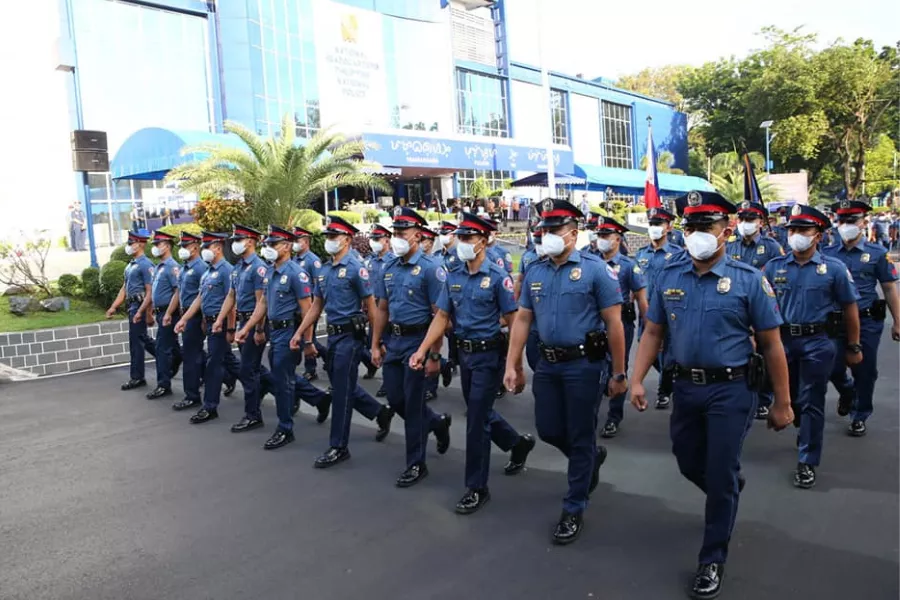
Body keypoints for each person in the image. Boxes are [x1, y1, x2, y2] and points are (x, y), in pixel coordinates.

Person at [628, 190, 794, 600]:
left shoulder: (749, 279)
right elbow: (653, 332)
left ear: (726, 229)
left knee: (719, 471)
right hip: (686, 387)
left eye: (707, 226)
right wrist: (635, 379)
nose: (698, 234)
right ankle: (727, 490)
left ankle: (712, 557)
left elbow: (772, 345)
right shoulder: (668, 275)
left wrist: (783, 402)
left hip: (732, 389)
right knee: (687, 459)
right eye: (692, 227)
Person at [504, 198, 628, 546]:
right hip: (547, 364)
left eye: (555, 229)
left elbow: (615, 324)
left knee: (577, 431)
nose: (547, 234)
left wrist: (619, 373)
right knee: (547, 428)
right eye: (544, 228)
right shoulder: (536, 271)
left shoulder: (595, 270)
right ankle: (589, 457)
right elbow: (523, 319)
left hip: (584, 365)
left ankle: (573, 506)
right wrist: (512, 363)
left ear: (574, 233)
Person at [410, 212, 536, 514]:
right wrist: (423, 350)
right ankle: (516, 443)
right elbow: (442, 316)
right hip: (463, 354)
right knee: (480, 410)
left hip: (489, 355)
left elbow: (512, 320)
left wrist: (514, 365)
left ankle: (476, 487)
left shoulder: (497, 277)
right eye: (461, 237)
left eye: (468, 238)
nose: (462, 243)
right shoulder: (453, 274)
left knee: (476, 420)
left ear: (483, 240)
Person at [763, 205, 860, 489]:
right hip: (783, 342)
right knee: (790, 396)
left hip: (819, 341)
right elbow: (761, 307)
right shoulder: (773, 268)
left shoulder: (834, 269)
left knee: (811, 399)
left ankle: (807, 460)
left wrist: (853, 346)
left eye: (803, 230)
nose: (796, 235)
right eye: (792, 230)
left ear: (818, 234)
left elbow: (850, 308)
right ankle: (804, 425)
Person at [292, 216, 395, 467]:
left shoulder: (355, 268)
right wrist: (302, 333)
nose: (329, 241)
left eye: (333, 237)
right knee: (343, 383)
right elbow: (316, 306)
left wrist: (375, 343)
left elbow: (372, 308)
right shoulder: (325, 270)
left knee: (340, 390)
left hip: (351, 337)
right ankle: (379, 412)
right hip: (335, 336)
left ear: (347, 240)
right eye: (327, 237)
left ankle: (339, 446)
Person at [370, 206, 453, 488]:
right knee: (395, 399)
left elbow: (439, 316)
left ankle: (416, 463)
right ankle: (437, 423)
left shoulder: (431, 269)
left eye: (402, 233)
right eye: (394, 232)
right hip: (394, 342)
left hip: (419, 341)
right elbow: (382, 308)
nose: (396, 238)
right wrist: (375, 343)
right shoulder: (388, 268)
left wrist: (433, 354)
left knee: (414, 403)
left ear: (417, 235)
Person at [824, 200, 900, 437]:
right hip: (835, 321)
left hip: (867, 320)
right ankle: (847, 392)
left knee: (864, 369)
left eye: (851, 221)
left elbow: (888, 288)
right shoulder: (826, 254)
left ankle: (860, 413)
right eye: (842, 221)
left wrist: (898, 320)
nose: (846, 225)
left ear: (863, 222)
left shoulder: (877, 254)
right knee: (832, 366)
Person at [235, 226, 309, 449]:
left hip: (289, 332)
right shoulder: (269, 272)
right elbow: (263, 304)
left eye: (273, 244)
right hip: (275, 332)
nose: (268, 249)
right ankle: (290, 418)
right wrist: (247, 328)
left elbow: (308, 309)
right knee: (280, 379)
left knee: (283, 381)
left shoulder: (296, 273)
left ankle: (285, 428)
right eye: (267, 244)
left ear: (286, 246)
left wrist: (306, 340)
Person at [725, 200, 785, 420]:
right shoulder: (731, 246)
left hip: (764, 307)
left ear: (760, 221)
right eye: (741, 219)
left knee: (766, 353)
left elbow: (779, 278)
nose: (745, 223)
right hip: (737, 308)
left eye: (750, 219)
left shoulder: (771, 247)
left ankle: (765, 397)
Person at [175, 231, 239, 424]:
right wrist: (185, 318)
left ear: (218, 248)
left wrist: (230, 328)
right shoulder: (209, 271)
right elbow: (201, 298)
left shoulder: (226, 270)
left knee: (214, 364)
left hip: (220, 324)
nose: (204, 251)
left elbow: (232, 300)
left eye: (207, 247)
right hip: (210, 322)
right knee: (227, 362)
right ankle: (264, 383)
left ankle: (210, 406)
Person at [596, 216, 648, 438]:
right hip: (595, 323)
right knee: (596, 366)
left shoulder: (628, 266)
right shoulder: (590, 262)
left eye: (605, 235)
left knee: (618, 368)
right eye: (599, 235)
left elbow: (641, 299)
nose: (601, 240)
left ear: (617, 238)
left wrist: (649, 328)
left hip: (621, 324)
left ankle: (614, 417)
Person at [214, 224, 268, 433]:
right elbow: (231, 296)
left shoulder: (258, 268)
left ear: (251, 242)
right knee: (252, 368)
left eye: (239, 240)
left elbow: (260, 302)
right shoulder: (238, 268)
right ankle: (313, 397)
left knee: (248, 369)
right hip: (243, 322)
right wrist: (221, 320)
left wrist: (260, 329)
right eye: (235, 240)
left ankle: (253, 415)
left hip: (254, 324)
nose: (235, 244)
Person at [634, 207, 686, 409]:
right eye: (652, 224)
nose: (655, 228)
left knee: (670, 353)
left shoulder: (678, 254)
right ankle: (668, 379)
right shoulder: (641, 254)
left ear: (669, 227)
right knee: (650, 350)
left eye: (659, 224)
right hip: (646, 311)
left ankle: (664, 390)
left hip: (670, 309)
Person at [106, 229, 157, 390]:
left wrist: (147, 312)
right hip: (132, 305)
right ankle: (168, 357)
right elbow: (124, 289)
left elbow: (150, 291)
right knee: (140, 339)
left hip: (140, 305)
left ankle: (137, 376)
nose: (129, 246)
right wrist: (114, 306)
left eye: (131, 243)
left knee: (137, 342)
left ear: (141, 244)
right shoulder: (130, 265)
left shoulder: (146, 265)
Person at [169, 232, 208, 411]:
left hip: (195, 316)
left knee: (191, 357)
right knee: (194, 355)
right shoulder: (185, 267)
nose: (182, 249)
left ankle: (192, 396)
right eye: (181, 246)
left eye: (186, 246)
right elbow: (179, 293)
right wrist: (172, 313)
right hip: (186, 314)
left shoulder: (200, 267)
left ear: (195, 246)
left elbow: (204, 296)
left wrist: (203, 319)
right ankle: (226, 376)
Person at [146, 230, 183, 399]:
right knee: (174, 349)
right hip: (162, 313)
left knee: (162, 348)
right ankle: (224, 376)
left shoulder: (171, 267)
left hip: (169, 313)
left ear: (167, 246)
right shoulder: (159, 267)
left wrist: (168, 312)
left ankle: (163, 384)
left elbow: (177, 292)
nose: (155, 247)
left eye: (158, 244)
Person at [293, 226, 328, 380]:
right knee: (307, 339)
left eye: (297, 240)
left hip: (309, 305)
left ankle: (311, 368)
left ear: (306, 242)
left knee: (308, 339)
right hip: (296, 306)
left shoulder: (313, 261)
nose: (294, 243)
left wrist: (316, 308)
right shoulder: (294, 259)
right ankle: (329, 358)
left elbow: (319, 285)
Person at [364, 224, 394, 397]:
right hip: (372, 307)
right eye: (373, 239)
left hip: (387, 309)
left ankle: (388, 382)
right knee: (374, 343)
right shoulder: (370, 261)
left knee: (387, 345)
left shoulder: (392, 261)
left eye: (378, 239)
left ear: (387, 240)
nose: (374, 242)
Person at [513, 216, 545, 372]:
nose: (539, 245)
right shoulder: (528, 257)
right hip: (531, 311)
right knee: (533, 355)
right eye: (537, 241)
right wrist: (515, 301)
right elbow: (520, 280)